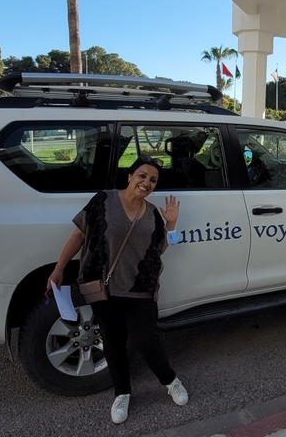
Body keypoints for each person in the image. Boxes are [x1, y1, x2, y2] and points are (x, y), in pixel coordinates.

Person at [47, 154, 188, 424]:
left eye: (153, 180)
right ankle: (122, 392)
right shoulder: (104, 200)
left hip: (139, 288)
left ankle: (170, 381)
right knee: (112, 343)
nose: (147, 183)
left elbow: (158, 251)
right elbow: (79, 234)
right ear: (130, 176)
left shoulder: (153, 215)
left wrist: (171, 224)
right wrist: (59, 268)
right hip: (104, 287)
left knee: (146, 339)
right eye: (142, 176)